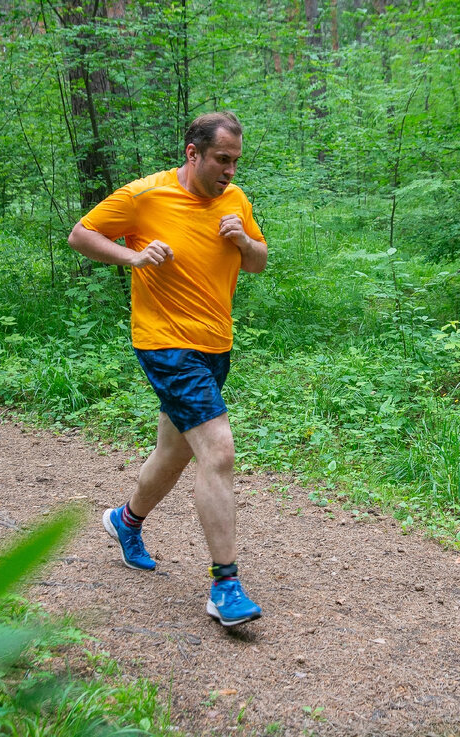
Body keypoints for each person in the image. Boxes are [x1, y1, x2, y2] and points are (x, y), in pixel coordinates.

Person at [67, 111, 268, 628]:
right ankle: (225, 586)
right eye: (222, 159)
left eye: (235, 161)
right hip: (164, 343)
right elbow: (81, 235)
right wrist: (130, 259)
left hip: (214, 344)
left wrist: (243, 242)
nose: (229, 170)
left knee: (175, 451)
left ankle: (124, 521)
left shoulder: (236, 200)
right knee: (218, 450)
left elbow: (259, 261)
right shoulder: (144, 196)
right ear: (192, 152)